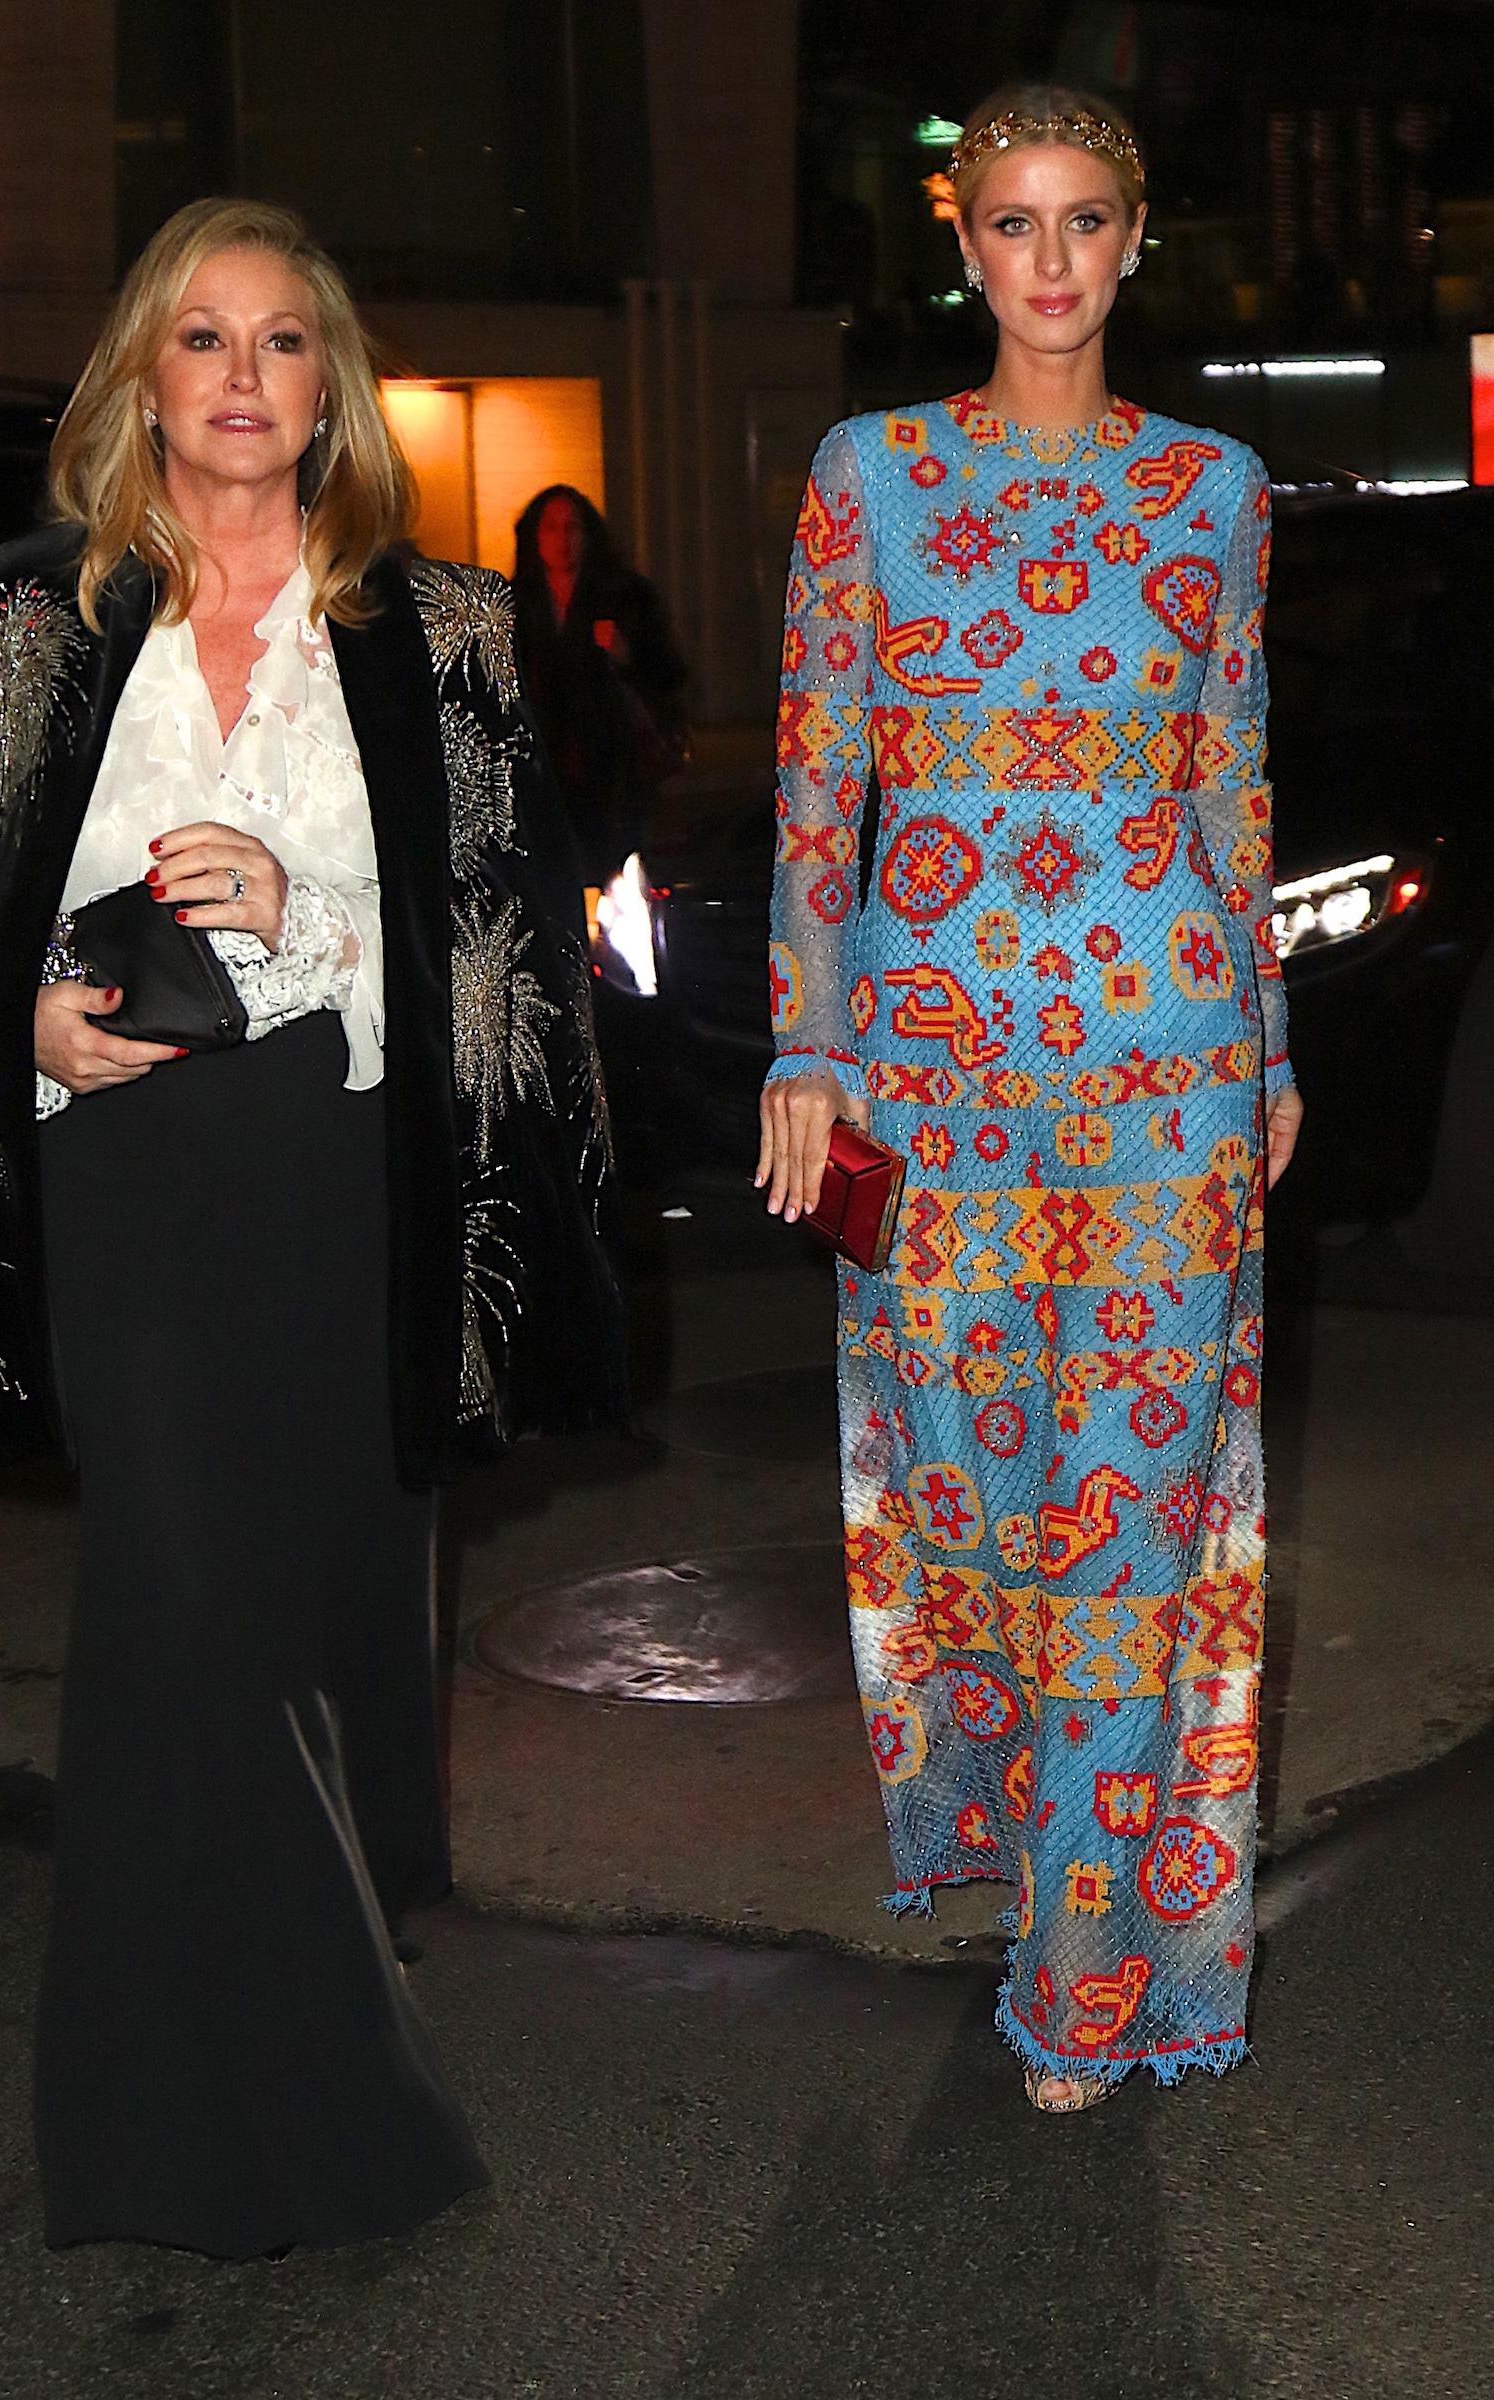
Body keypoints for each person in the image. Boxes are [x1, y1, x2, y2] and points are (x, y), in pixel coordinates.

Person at [0, 196, 624, 2254]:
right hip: (114, 1171)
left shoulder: (446, 634)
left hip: (332, 1173)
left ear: (331, 382)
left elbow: (510, 958)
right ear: (142, 371)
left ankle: (139, 2141)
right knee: (190, 1612)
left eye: (279, 340)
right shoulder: (6, 621)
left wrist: (305, 922)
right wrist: (20, 1013)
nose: (237, 375)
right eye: (198, 338)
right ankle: (349, 2115)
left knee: (232, 1641)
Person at [757, 86, 1302, 2111]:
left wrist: (1263, 1044)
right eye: (1011, 221)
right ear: (961, 247)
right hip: (931, 1063)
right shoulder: (866, 478)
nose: (1049, 257)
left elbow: (1230, 784)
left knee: (1135, 1530)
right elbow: (818, 788)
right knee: (973, 1493)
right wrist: (804, 1047)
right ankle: (1018, 1855)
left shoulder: (1213, 489)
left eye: (1083, 219)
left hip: (1163, 1070)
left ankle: (1087, 1978)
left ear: (1132, 241)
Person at [511, 484, 687, 876]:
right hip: (541, 773)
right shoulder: (516, 607)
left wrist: (627, 655)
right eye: (551, 528)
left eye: (572, 528)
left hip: (612, 773)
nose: (563, 540)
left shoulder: (625, 597)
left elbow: (667, 674)